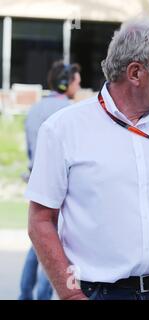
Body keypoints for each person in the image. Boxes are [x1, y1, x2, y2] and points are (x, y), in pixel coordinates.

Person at [25, 16, 149, 300]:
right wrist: (71, 295)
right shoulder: (63, 129)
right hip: (99, 293)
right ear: (135, 73)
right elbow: (40, 221)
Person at [19, 60, 81, 300]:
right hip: (59, 184)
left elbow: (29, 148)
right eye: (77, 80)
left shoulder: (35, 108)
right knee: (52, 242)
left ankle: (24, 294)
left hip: (35, 178)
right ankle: (43, 296)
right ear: (66, 83)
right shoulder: (67, 110)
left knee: (37, 238)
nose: (79, 84)